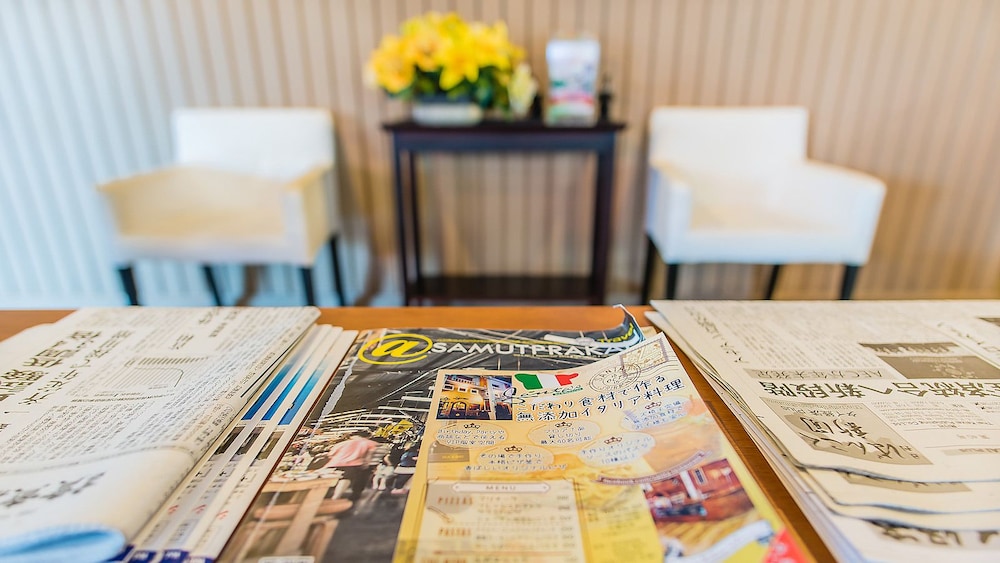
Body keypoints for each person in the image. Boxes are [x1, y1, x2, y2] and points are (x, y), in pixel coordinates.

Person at [323, 430, 379, 502]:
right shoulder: (370, 443)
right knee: (345, 479)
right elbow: (368, 456)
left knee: (329, 479)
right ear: (367, 437)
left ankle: (322, 496)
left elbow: (330, 455)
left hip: (334, 463)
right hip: (353, 464)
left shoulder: (341, 443)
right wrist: (366, 464)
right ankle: (336, 497)